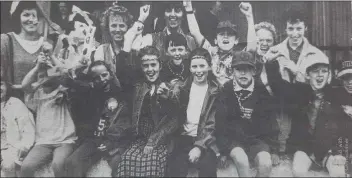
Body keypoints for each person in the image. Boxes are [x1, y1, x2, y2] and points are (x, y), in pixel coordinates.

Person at [266, 53, 347, 177]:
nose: (320, 75)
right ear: (308, 75)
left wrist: (340, 152)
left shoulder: (337, 95)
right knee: (298, 171)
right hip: (304, 148)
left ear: (329, 75)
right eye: (315, 71)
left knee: (339, 173)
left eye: (324, 71)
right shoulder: (300, 92)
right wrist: (271, 64)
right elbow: (278, 86)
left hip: (329, 150)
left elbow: (345, 126)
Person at [110, 46, 178, 177]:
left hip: (161, 139)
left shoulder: (169, 87)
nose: (150, 70)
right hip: (140, 139)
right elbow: (121, 75)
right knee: (127, 159)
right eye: (145, 66)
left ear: (160, 65)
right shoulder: (139, 87)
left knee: (151, 162)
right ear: (141, 68)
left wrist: (166, 98)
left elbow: (173, 120)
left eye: (153, 65)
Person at [215, 51, 279, 177]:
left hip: (257, 140)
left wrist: (274, 149)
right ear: (232, 71)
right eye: (239, 69)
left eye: (247, 69)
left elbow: (271, 121)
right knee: (241, 160)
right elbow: (220, 123)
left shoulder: (261, 90)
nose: (243, 73)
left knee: (266, 163)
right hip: (234, 140)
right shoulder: (226, 90)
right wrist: (223, 151)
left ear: (254, 71)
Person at [19, 52, 77, 177]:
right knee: (26, 167)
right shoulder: (36, 94)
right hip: (43, 143)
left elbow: (64, 73)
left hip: (65, 141)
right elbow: (25, 85)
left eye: (48, 72)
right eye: (41, 74)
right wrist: (37, 67)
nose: (44, 76)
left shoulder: (64, 90)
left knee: (58, 164)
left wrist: (51, 57)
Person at [64, 61, 126, 177]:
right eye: (96, 78)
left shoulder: (120, 94)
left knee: (118, 164)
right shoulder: (91, 94)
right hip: (94, 139)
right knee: (72, 162)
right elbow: (71, 83)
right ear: (92, 80)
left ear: (111, 74)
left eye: (104, 75)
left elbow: (125, 124)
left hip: (114, 141)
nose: (102, 79)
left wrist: (110, 143)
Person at [166, 48, 220, 177]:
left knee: (208, 167)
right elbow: (172, 112)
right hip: (183, 138)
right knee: (174, 168)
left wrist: (199, 147)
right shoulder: (181, 88)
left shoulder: (215, 92)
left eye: (202, 66)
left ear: (209, 67)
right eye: (194, 66)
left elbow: (212, 125)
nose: (198, 70)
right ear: (189, 68)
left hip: (205, 140)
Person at [184, 1, 255, 86]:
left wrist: (249, 16)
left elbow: (252, 48)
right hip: (213, 96)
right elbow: (195, 32)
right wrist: (188, 8)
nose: (225, 37)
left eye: (230, 34)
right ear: (215, 40)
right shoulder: (210, 51)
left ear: (236, 40)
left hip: (232, 94)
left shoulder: (240, 56)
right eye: (221, 34)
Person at [264, 6, 329, 84]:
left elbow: (322, 85)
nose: (295, 34)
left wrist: (296, 72)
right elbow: (265, 82)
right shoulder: (273, 52)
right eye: (291, 29)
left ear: (305, 28)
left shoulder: (318, 55)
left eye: (299, 29)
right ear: (285, 29)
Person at [1, 1, 46, 98]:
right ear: (18, 17)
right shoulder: (6, 40)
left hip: (40, 103)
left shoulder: (46, 43)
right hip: (13, 102)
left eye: (34, 16)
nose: (31, 19)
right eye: (26, 15)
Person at [132, 1, 197, 61]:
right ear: (163, 14)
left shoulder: (190, 41)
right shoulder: (152, 38)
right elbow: (135, 50)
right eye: (168, 10)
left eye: (177, 10)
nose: (172, 15)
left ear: (183, 15)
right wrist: (141, 19)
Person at [0, 77, 35, 177]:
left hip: (12, 147)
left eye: (1, 84)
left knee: (7, 166)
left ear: (7, 86)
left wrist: (24, 147)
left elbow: (28, 130)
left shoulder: (16, 104)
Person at [93, 3, 134, 75]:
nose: (118, 30)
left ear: (128, 27)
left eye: (122, 25)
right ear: (107, 28)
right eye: (114, 25)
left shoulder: (134, 50)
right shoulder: (101, 51)